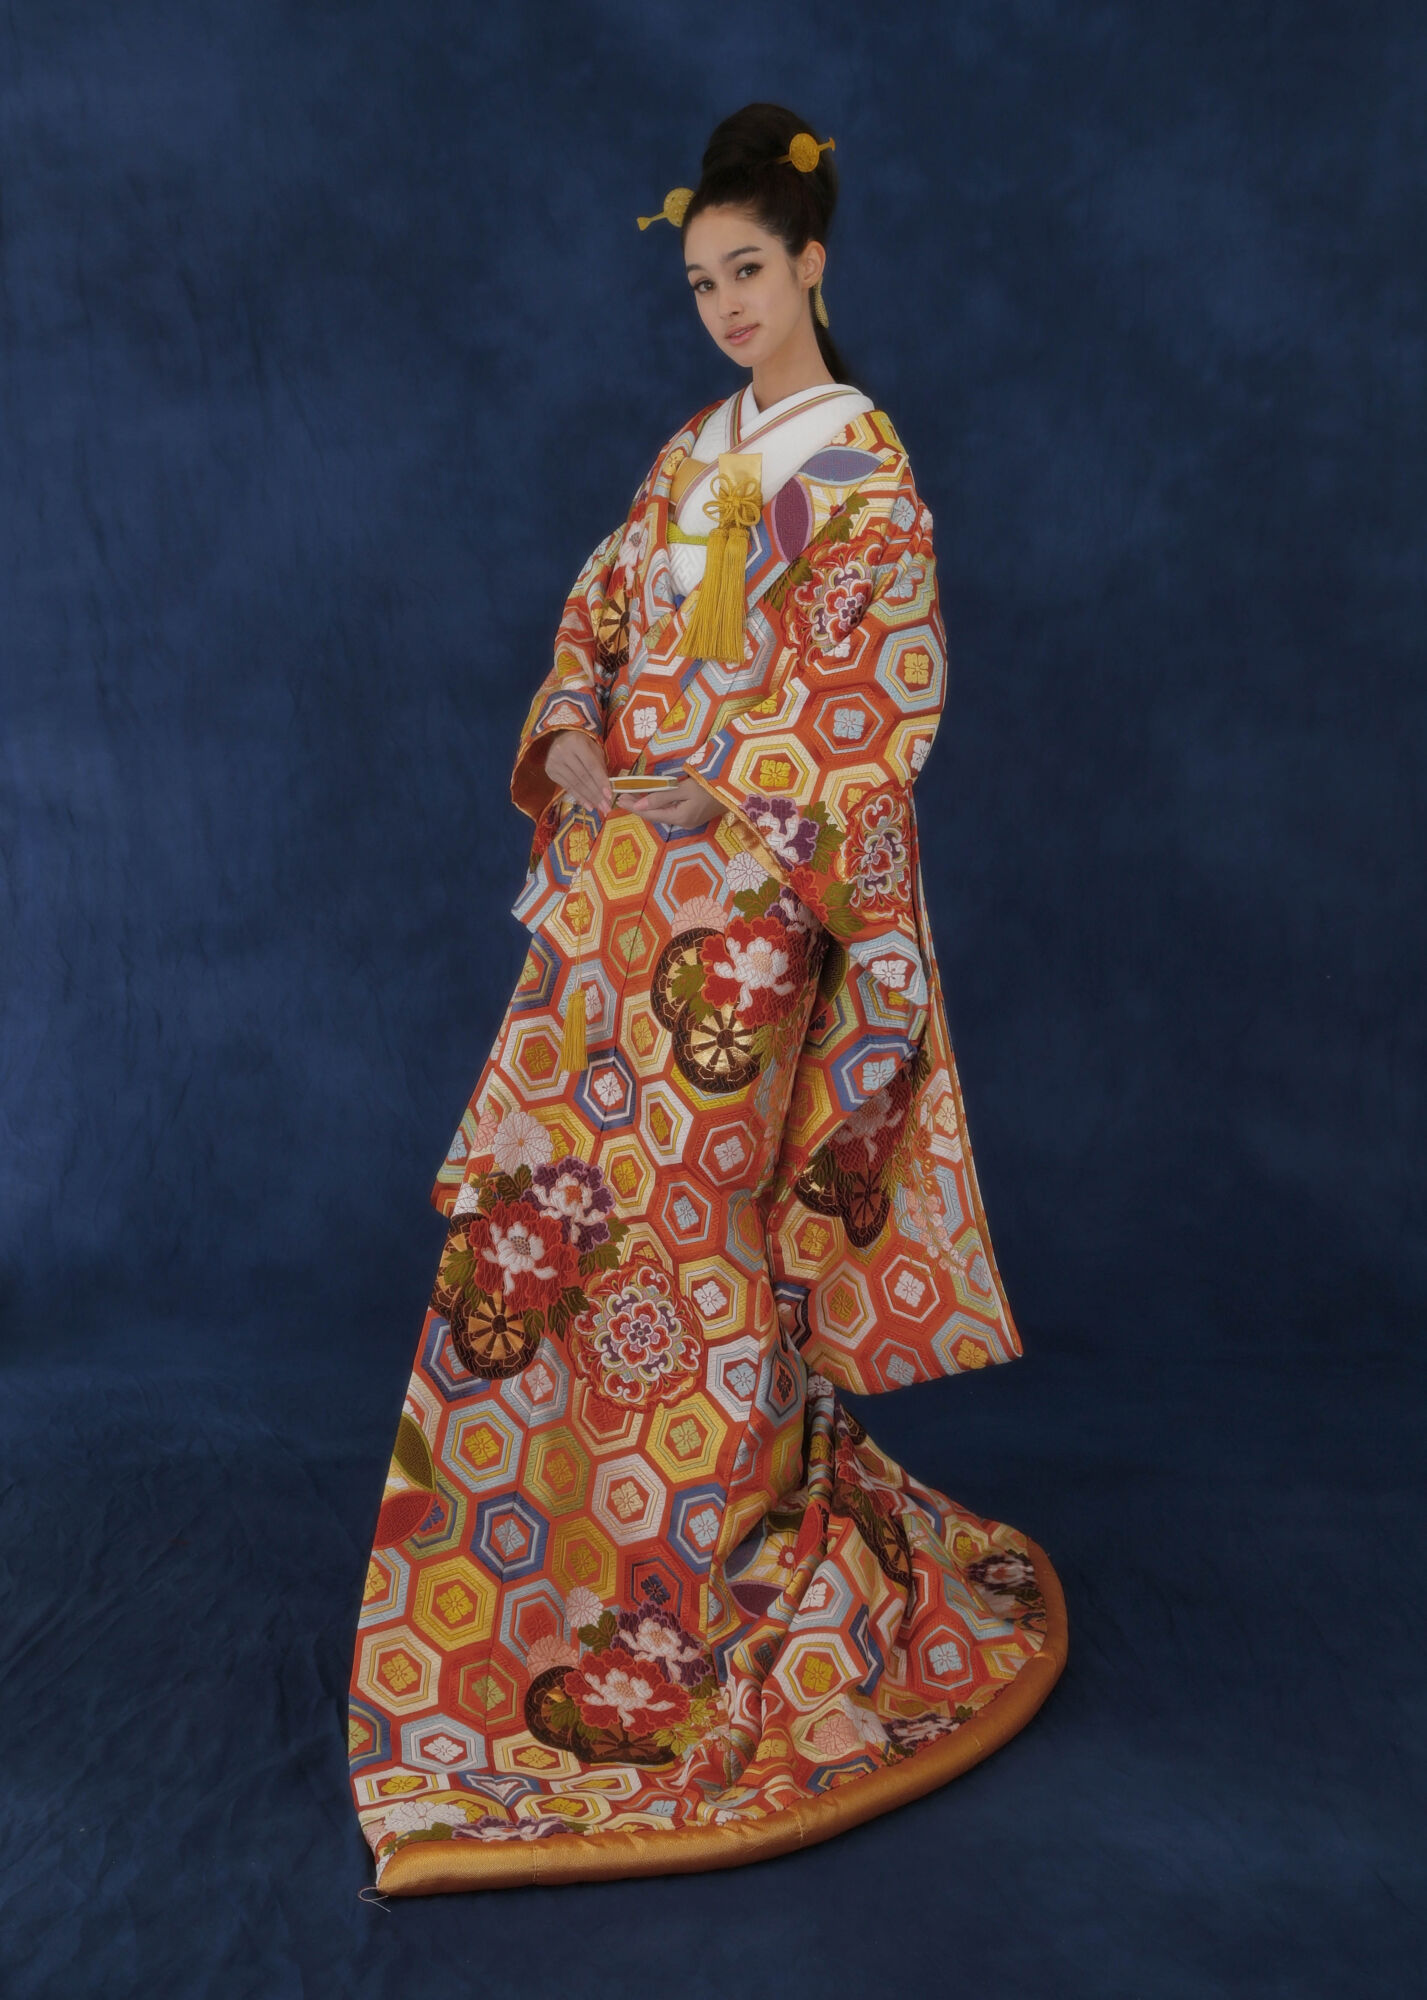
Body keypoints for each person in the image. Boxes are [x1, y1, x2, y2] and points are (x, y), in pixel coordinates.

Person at [347, 101, 1067, 1897]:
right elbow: (600, 614)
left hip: (747, 909)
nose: (729, 306)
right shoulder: (691, 455)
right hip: (616, 893)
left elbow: (880, 699)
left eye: (751, 271)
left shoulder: (867, 472)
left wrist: (725, 795)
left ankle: (715, 1563)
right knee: (563, 1209)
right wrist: (582, 736)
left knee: (698, 1222)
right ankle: (572, 1561)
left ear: (813, 263)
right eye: (701, 284)